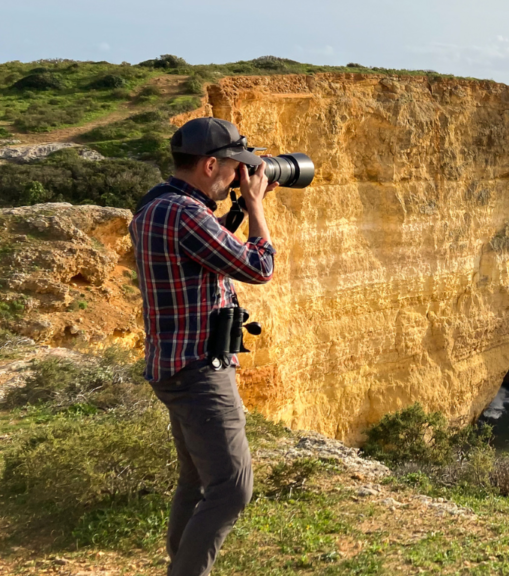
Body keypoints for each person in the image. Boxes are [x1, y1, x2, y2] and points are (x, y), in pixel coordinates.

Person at [129, 117, 278, 576]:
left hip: (172, 365)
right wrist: (255, 208)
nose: (240, 176)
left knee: (196, 481)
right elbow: (258, 266)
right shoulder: (186, 214)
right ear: (210, 163)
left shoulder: (158, 204)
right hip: (198, 372)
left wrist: (237, 206)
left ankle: (182, 564)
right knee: (232, 489)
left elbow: (205, 250)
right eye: (236, 168)